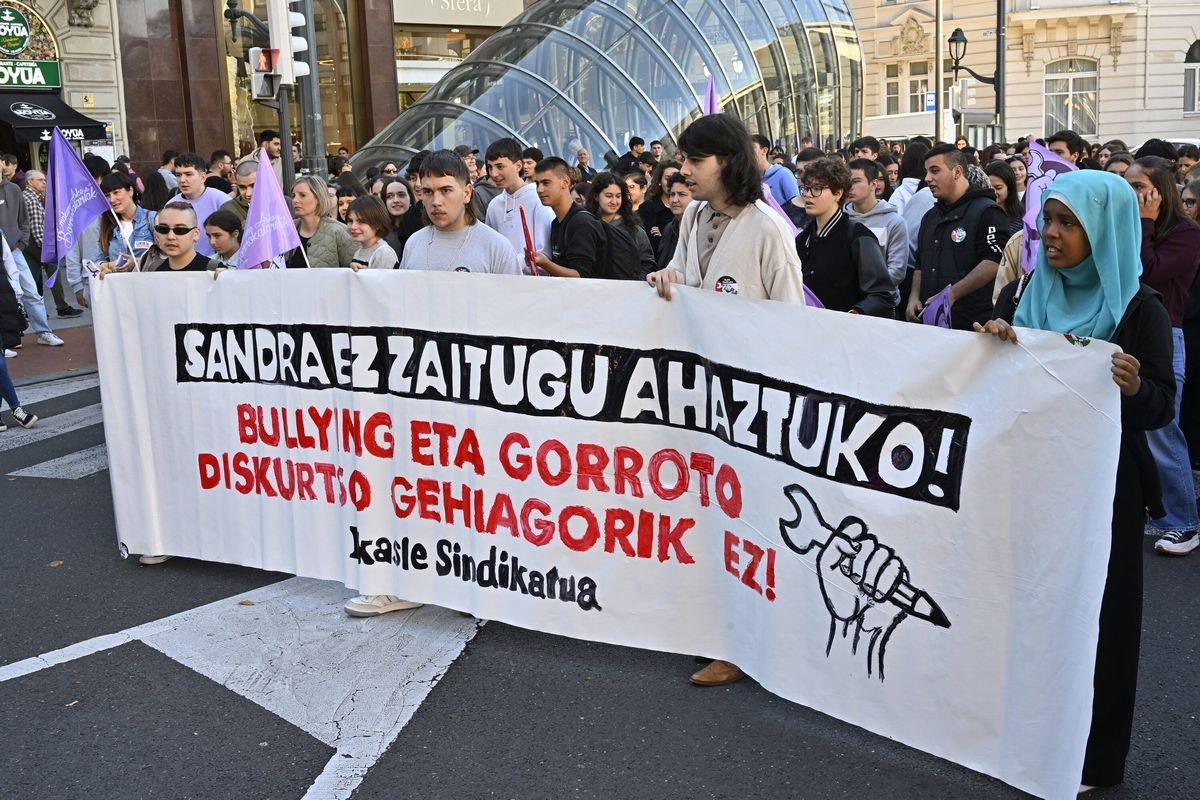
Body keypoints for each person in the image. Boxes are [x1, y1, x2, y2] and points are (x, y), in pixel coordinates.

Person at [978, 169, 1173, 793]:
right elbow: (994, 381)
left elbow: (1160, 407)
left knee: (1103, 618)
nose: (1053, 236)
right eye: (1049, 223)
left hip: (1104, 491)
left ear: (1105, 230)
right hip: (1031, 474)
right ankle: (1029, 736)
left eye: (1069, 225)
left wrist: (1134, 384)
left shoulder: (1139, 308)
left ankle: (1094, 760)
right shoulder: (1030, 289)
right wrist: (996, 342)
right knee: (1027, 603)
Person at [646, 116, 804, 687]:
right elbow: (688, 275)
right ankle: (713, 625)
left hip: (749, 401)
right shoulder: (693, 215)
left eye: (694, 160)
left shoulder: (768, 230)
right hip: (699, 392)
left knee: (747, 517)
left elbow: (790, 323)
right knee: (706, 509)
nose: (683, 170)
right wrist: (668, 277)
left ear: (727, 162)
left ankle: (747, 643)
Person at [1123, 155, 1200, 555]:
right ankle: (1155, 512)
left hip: (1166, 336)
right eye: (1127, 185)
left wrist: (1146, 221)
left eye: (1139, 187)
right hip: (1126, 333)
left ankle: (1183, 522)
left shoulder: (1186, 234)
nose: (1131, 194)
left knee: (1162, 429)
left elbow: (1147, 271)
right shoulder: (1130, 226)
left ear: (1159, 191)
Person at [906, 144, 1011, 330]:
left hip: (972, 325)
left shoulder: (987, 211)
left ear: (957, 171)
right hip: (931, 324)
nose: (927, 178)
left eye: (935, 171)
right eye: (926, 172)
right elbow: (920, 263)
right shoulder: (930, 217)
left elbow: (994, 262)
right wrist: (914, 297)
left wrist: (952, 294)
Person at [796, 157, 893, 316]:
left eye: (817, 189)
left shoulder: (857, 236)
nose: (808, 195)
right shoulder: (802, 239)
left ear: (838, 193)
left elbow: (881, 294)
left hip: (846, 331)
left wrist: (856, 312)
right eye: (806, 189)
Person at [0, 163, 62, 347]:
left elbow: (24, 220)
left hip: (14, 250)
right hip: (10, 248)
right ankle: (8, 338)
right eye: (40, 179)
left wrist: (21, 243)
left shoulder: (13, 190)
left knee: (31, 292)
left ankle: (44, 331)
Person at [845, 159, 908, 306]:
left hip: (882, 303)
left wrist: (866, 289)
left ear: (874, 184)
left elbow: (897, 271)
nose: (850, 186)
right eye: (847, 181)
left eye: (856, 181)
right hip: (846, 302)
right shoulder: (841, 218)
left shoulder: (894, 222)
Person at [531, 157, 606, 278]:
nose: (539, 190)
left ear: (565, 182)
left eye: (546, 183)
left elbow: (580, 275)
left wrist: (545, 263)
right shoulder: (556, 223)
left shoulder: (582, 223)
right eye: (537, 184)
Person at [484, 138, 553, 270]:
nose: (494, 173)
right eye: (490, 167)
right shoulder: (494, 205)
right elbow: (489, 249)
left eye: (500, 166)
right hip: (501, 283)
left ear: (518, 166)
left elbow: (545, 254)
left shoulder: (538, 199)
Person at [21, 170, 79, 318]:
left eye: (44, 180)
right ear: (30, 182)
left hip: (29, 244)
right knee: (54, 273)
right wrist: (49, 248)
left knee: (31, 279)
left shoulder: (32, 196)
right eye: (40, 180)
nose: (44, 183)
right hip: (39, 243)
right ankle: (62, 307)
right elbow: (36, 226)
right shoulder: (31, 199)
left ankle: (32, 310)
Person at [586, 172, 656, 277]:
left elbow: (647, 263)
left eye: (618, 196)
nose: (614, 201)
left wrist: (635, 283)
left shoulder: (633, 229)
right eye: (608, 196)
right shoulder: (587, 225)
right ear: (596, 196)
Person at [288, 175, 356, 268]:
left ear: (318, 198)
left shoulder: (339, 232)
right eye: (293, 196)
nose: (295, 200)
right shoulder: (286, 229)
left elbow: (354, 272)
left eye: (302, 195)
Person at [173, 153, 232, 258]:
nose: (182, 180)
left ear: (203, 177)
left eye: (188, 174)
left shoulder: (221, 200)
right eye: (178, 175)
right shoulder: (171, 205)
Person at [95, 172, 157, 273]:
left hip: (147, 285)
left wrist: (137, 262)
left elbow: (165, 257)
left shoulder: (152, 219)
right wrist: (108, 266)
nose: (112, 199)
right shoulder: (108, 225)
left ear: (130, 191)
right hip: (118, 285)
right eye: (107, 195)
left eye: (116, 192)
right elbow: (99, 260)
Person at [347, 195, 398, 270]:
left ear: (377, 224)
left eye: (361, 222)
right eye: (350, 221)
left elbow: (383, 281)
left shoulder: (384, 253)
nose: (353, 227)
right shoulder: (359, 251)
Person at [640, 160, 680, 257]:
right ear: (659, 181)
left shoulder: (688, 207)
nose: (671, 183)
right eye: (668, 179)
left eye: (676, 178)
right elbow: (650, 243)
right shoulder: (648, 207)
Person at [752, 134, 799, 206]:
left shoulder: (783, 174)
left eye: (752, 147)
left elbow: (797, 206)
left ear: (764, 151)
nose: (748, 152)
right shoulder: (750, 179)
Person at [657, 173, 692, 269]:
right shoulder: (669, 228)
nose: (674, 200)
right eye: (672, 194)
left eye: (682, 194)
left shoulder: (699, 230)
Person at [381, 176, 415, 262]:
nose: (396, 200)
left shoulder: (422, 229)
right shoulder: (379, 234)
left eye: (401, 195)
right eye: (389, 196)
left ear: (410, 199)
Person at [984, 161, 1024, 234]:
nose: (993, 192)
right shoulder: (979, 214)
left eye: (998, 188)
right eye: (988, 187)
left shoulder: (1022, 218)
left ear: (1009, 188)